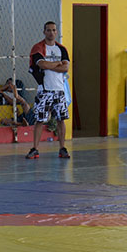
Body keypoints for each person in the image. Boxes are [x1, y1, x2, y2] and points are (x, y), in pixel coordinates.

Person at [27, 21, 71, 159]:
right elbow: (42, 64)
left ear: (56, 32)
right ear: (44, 32)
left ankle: (62, 148)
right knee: (40, 120)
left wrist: (51, 65)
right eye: (48, 30)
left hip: (59, 89)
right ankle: (35, 148)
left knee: (61, 119)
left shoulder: (61, 49)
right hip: (44, 90)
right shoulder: (38, 48)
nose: (51, 33)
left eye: (53, 30)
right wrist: (57, 63)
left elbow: (65, 67)